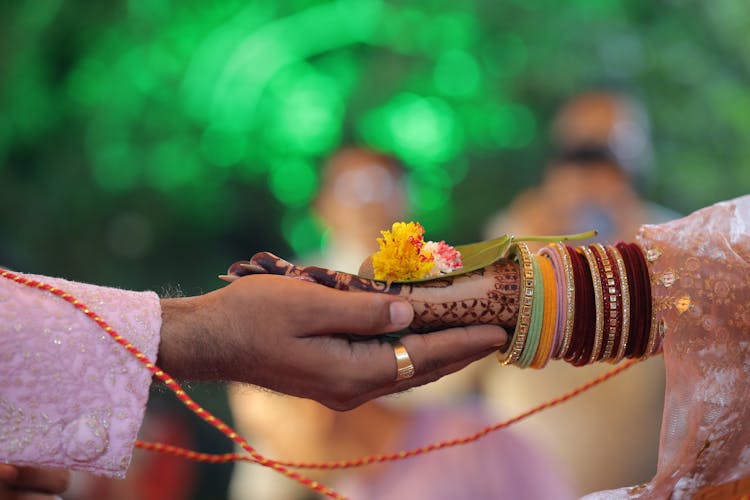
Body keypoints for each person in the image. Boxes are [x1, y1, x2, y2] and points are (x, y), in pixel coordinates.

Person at [229, 194, 750, 499]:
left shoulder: (472, 439)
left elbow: (703, 294)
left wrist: (409, 299)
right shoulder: (352, 484)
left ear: (316, 395)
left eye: (262, 424)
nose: (264, 445)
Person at [227, 147, 573, 500]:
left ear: (407, 197)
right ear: (322, 206)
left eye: (380, 186)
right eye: (351, 188)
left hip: (451, 465)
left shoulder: (454, 278)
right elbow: (272, 427)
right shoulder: (291, 292)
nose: (367, 202)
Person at [0, 267, 508, 498]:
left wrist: (209, 332)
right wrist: (210, 333)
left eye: (273, 407)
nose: (270, 450)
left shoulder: (471, 443)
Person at [480, 90, 678, 494]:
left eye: (609, 153)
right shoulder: (513, 234)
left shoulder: (671, 239)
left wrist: (641, 258)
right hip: (521, 477)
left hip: (634, 479)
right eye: (579, 152)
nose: (591, 171)